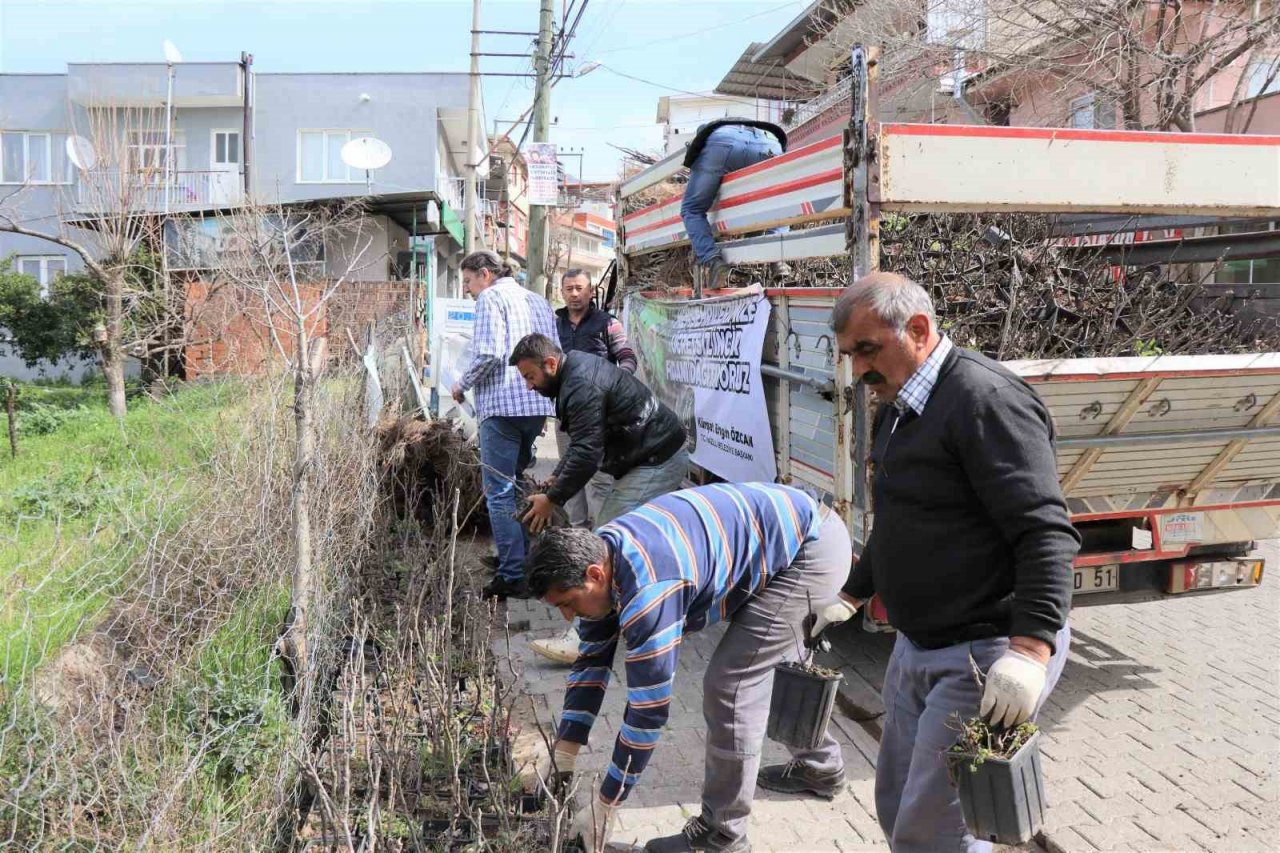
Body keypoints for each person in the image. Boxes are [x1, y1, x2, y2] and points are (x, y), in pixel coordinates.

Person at [759, 272, 1080, 853]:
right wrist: (853, 593)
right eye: (849, 355)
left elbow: (1046, 533)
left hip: (984, 657)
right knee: (897, 804)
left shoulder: (986, 402)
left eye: (866, 350)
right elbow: (902, 518)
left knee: (933, 833)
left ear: (918, 329)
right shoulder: (901, 407)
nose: (857, 370)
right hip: (918, 648)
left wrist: (1031, 650)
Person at [529, 483, 854, 853]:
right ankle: (821, 766)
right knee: (769, 662)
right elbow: (591, 661)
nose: (568, 616)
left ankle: (723, 835)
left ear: (595, 575)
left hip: (810, 551)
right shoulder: (602, 554)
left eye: (568, 603)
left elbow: (648, 713)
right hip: (788, 534)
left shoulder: (649, 590)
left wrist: (607, 804)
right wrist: (564, 753)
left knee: (731, 686)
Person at [509, 332, 688, 665]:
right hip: (649, 454)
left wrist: (553, 499)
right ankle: (651, 612)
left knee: (605, 538)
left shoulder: (580, 384)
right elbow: (583, 439)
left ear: (550, 364)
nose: (529, 386)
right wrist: (558, 476)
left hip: (657, 458)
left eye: (530, 377)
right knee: (633, 541)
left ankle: (584, 640)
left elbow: (588, 453)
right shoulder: (573, 375)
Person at [450, 250, 557, 601]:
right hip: (536, 402)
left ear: (485, 274)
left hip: (502, 405)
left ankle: (512, 575)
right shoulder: (538, 300)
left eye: (467, 281)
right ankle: (523, 562)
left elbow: (489, 353)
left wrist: (461, 384)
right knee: (518, 486)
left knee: (498, 490)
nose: (467, 289)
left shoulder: (490, 298)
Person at [554, 268, 638, 529]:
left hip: (600, 416)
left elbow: (627, 357)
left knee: (599, 479)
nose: (575, 294)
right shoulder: (553, 325)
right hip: (565, 413)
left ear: (591, 292)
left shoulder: (608, 323)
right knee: (569, 476)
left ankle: (605, 538)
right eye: (569, 289)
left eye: (580, 288)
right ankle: (577, 534)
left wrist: (613, 385)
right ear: (562, 292)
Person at [680, 118, 790, 286]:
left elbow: (700, 171)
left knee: (692, 209)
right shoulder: (730, 125)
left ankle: (714, 262)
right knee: (778, 200)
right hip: (770, 141)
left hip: (722, 144)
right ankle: (777, 257)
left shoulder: (709, 136)